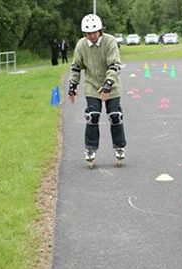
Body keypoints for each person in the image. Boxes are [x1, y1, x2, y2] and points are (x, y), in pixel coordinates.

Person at [67, 14, 126, 167]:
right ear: (84, 34)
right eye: (88, 33)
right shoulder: (81, 45)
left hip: (111, 85)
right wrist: (72, 86)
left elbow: (115, 65)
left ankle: (119, 147)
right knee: (92, 116)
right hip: (92, 86)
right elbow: (76, 67)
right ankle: (90, 149)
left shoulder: (110, 41)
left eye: (94, 32)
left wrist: (107, 85)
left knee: (115, 116)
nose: (92, 36)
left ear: (100, 30)